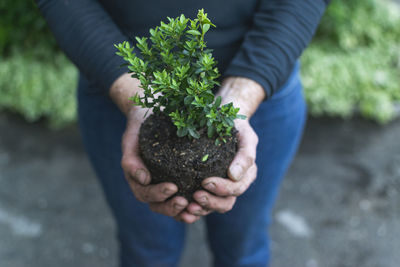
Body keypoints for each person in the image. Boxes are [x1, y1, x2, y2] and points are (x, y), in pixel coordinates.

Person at [36, 0, 330, 266]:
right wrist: (135, 94)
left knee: (243, 248)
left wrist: (245, 89)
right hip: (113, 81)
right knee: (147, 252)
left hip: (264, 77)